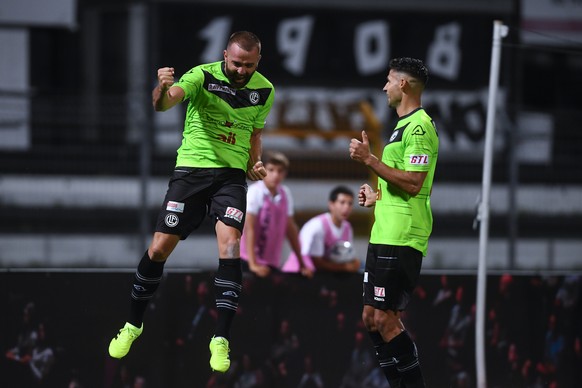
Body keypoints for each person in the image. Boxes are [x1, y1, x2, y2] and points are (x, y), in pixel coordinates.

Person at [108, 31, 274, 374]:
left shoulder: (265, 90)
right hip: (191, 174)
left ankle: (221, 337)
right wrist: (162, 88)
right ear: (225, 55)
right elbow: (164, 103)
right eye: (237, 63)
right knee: (158, 249)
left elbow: (254, 133)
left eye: (249, 65)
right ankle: (132, 325)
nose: (242, 71)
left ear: (259, 61)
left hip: (230, 178)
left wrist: (254, 162)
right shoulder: (201, 75)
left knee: (230, 246)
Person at [349, 57, 438, 388]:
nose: (384, 86)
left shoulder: (419, 128)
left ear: (404, 84)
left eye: (388, 80)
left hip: (402, 236)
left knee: (386, 319)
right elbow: (402, 184)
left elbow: (415, 182)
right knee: (371, 319)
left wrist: (370, 160)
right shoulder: (401, 126)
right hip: (384, 231)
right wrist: (378, 196)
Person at [240, 150, 312, 278]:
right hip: (247, 261)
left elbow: (291, 229)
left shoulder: (285, 194)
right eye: (271, 170)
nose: (276, 175)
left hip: (271, 262)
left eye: (280, 171)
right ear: (263, 170)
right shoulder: (255, 192)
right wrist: (253, 264)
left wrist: (302, 263)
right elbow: (248, 228)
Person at [282, 185, 360, 273]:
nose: (346, 207)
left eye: (350, 203)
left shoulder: (347, 228)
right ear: (331, 204)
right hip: (298, 273)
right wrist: (344, 267)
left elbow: (345, 256)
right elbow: (317, 262)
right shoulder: (318, 226)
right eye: (342, 202)